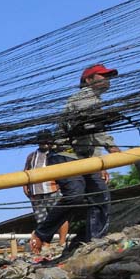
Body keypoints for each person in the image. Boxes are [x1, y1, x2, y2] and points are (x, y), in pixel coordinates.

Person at [30, 64, 121, 253]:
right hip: (66, 154)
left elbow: (94, 134)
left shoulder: (95, 101)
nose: (107, 80)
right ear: (88, 80)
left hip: (85, 157)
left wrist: (106, 156)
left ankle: (94, 240)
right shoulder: (83, 98)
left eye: (108, 76)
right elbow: (90, 126)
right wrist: (110, 147)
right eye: (102, 76)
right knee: (75, 195)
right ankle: (41, 233)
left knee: (101, 196)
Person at [23, 130, 69, 247]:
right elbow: (26, 171)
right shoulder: (32, 156)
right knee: (41, 219)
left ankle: (62, 241)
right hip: (36, 192)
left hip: (53, 188)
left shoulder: (56, 153)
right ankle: (45, 243)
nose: (44, 143)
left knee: (60, 215)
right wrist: (25, 186)